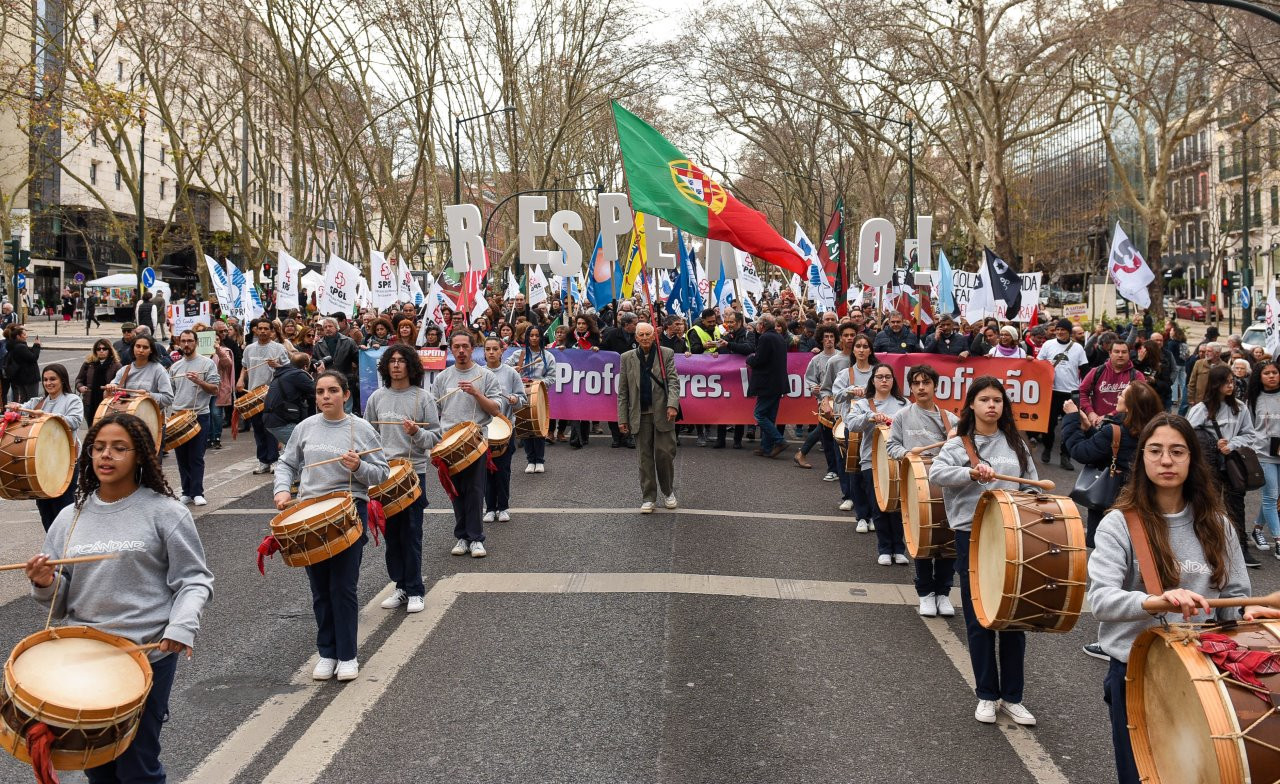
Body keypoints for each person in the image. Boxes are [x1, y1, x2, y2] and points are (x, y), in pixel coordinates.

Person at [24, 412, 213, 782]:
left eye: (119, 448)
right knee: (96, 763)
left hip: (146, 657)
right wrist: (45, 582)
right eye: (99, 448)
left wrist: (181, 627)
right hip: (87, 657)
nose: (106, 456)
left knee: (137, 763)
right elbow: (59, 602)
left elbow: (194, 580)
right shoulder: (69, 518)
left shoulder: (166, 513)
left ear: (140, 455)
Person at [1087, 414, 1269, 784]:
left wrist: (1248, 610)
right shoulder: (1120, 524)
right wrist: (1156, 601)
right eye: (1155, 451)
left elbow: (1235, 595)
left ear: (1191, 460)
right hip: (1137, 673)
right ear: (1142, 460)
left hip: (1207, 671)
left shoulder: (1216, 523)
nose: (1166, 460)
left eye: (1177, 451)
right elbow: (1101, 600)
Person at [930, 376, 1040, 727]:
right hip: (973, 534)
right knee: (980, 618)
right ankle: (986, 695)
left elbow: (1033, 484)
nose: (992, 405)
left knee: (1012, 615)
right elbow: (937, 474)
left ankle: (1013, 696)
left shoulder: (1015, 443)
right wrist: (971, 473)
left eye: (998, 400)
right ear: (972, 406)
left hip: (1014, 536)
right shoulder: (960, 442)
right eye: (985, 400)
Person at [273, 372, 390, 681]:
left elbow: (382, 473)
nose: (326, 396)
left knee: (343, 586)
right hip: (310, 513)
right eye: (320, 391)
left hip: (349, 510)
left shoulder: (361, 429)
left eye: (333, 390)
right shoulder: (304, 428)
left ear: (346, 395)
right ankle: (327, 651)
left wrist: (359, 466)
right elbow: (286, 463)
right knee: (320, 588)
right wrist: (282, 490)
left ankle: (348, 654)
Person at [365, 345, 440, 614]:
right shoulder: (376, 398)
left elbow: (436, 438)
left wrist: (416, 433)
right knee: (392, 536)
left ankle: (416, 589)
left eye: (401, 361)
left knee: (411, 534)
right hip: (383, 477)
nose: (396, 365)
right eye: (392, 361)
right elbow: (368, 438)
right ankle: (400, 586)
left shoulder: (423, 398)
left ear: (410, 365)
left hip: (412, 474)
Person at [886, 364, 956, 615]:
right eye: (916, 383)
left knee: (949, 540)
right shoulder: (903, 416)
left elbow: (963, 449)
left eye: (926, 382)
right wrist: (907, 454)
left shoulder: (950, 418)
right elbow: (891, 446)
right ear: (911, 387)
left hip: (946, 485)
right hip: (917, 487)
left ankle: (944, 592)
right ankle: (926, 592)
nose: (921, 387)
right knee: (923, 539)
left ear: (935, 386)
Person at [433, 331, 503, 557]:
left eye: (465, 346)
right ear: (451, 349)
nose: (461, 351)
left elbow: (495, 409)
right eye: (457, 347)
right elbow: (435, 412)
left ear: (473, 349)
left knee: (474, 490)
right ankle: (462, 537)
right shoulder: (442, 377)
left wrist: (476, 394)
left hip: (475, 440)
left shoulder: (485, 376)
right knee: (455, 491)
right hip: (448, 443)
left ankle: (475, 538)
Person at [1188, 364, 1263, 569]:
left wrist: (1231, 444)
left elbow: (1250, 434)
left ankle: (1240, 549)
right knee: (1206, 503)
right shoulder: (1201, 409)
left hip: (1232, 463)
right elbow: (1187, 434)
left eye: (1232, 382)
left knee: (1236, 505)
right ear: (1215, 384)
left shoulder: (1240, 407)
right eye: (1225, 382)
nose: (1230, 386)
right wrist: (1212, 443)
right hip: (1208, 463)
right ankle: (1203, 547)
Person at [7, 363, 84, 528]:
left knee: (64, 507)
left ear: (62, 380)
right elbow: (21, 410)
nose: (49, 383)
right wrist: (15, 408)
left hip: (65, 462)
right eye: (45, 380)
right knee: (45, 509)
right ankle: (52, 544)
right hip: (41, 464)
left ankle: (67, 546)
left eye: (53, 379)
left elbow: (75, 420)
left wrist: (48, 416)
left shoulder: (73, 400)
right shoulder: (37, 402)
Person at [617, 322, 680, 513]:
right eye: (641, 335)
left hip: (662, 412)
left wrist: (672, 404)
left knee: (665, 455)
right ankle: (648, 497)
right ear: (636, 338)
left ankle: (668, 492)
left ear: (654, 336)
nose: (644, 338)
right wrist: (622, 418)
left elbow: (673, 381)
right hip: (639, 414)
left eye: (648, 334)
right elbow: (623, 391)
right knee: (644, 459)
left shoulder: (665, 354)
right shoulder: (626, 358)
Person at [850, 363, 910, 565]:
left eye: (888, 377)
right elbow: (852, 425)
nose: (884, 380)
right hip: (872, 461)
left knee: (899, 506)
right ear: (873, 380)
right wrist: (870, 417)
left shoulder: (904, 404)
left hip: (899, 460)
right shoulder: (864, 404)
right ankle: (884, 548)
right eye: (880, 377)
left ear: (893, 380)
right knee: (879, 506)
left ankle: (899, 548)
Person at [168, 330, 220, 506]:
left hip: (199, 414)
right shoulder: (175, 367)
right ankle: (186, 491)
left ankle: (197, 492)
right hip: (178, 415)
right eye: (183, 341)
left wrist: (199, 382)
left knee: (196, 456)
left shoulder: (207, 364)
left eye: (190, 341)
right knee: (181, 457)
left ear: (196, 342)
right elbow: (170, 394)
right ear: (179, 343)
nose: (186, 344)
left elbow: (215, 389)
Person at [830, 333, 877, 527]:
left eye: (865, 346)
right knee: (855, 471)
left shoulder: (878, 371)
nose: (861, 350)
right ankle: (862, 516)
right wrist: (850, 390)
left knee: (874, 472)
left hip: (875, 428)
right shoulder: (846, 374)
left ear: (870, 350)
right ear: (854, 349)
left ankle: (875, 514)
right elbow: (836, 396)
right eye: (858, 346)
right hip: (853, 427)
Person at [483, 337, 527, 520]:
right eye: (488, 349)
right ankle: (490, 508)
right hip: (484, 429)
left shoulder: (511, 373)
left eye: (495, 349)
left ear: (502, 351)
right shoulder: (480, 373)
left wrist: (516, 400)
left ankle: (503, 507)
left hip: (506, 427)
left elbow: (522, 399)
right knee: (485, 470)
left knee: (502, 469)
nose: (491, 352)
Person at [239, 318, 290, 474]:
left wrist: (277, 366)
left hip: (272, 393)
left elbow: (288, 369)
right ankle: (263, 461)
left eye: (266, 328)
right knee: (258, 428)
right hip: (253, 394)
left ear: (271, 331)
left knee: (271, 428)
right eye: (259, 328)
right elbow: (244, 367)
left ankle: (274, 459)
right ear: (255, 330)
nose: (262, 331)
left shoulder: (279, 348)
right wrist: (241, 379)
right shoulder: (249, 349)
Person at [1036, 319, 1088, 469]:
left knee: (1069, 427)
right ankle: (1047, 448)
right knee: (1049, 424)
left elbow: (1085, 370)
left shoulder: (1078, 348)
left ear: (1069, 331)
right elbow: (1039, 365)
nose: (1059, 332)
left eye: (1063, 330)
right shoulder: (1048, 345)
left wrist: (1085, 390)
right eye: (1057, 330)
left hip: (1071, 393)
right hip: (1051, 392)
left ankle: (1065, 456)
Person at [105, 334, 174, 442]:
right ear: (133, 348)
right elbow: (108, 398)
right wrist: (110, 388)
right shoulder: (124, 370)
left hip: (152, 425)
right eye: (138, 346)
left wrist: (148, 396)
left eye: (145, 347)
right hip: (128, 427)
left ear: (151, 350)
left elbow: (168, 398)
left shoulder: (158, 370)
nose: (141, 350)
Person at [508, 326, 554, 472]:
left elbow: (552, 377)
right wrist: (513, 369)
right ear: (526, 338)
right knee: (525, 426)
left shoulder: (547, 356)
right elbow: (504, 368)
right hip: (521, 394)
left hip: (538, 395)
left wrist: (539, 384)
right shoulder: (518, 354)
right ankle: (530, 461)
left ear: (541, 337)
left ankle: (539, 460)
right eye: (531, 335)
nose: (534, 338)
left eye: (537, 335)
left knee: (538, 427)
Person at [796, 324, 840, 476]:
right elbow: (809, 379)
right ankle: (833, 469)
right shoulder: (816, 360)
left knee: (830, 432)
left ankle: (802, 453)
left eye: (832, 337)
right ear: (821, 340)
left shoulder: (843, 356)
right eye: (826, 337)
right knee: (827, 433)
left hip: (842, 402)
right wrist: (814, 387)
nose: (829, 340)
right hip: (824, 402)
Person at [1248, 359, 1280, 559]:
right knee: (1270, 496)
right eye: (1266, 373)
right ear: (1259, 377)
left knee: (1275, 496)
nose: (1271, 376)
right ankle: (1278, 540)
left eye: (1274, 372)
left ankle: (1257, 529)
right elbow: (1250, 427)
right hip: (1263, 454)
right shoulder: (1254, 399)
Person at [746, 313, 789, 458]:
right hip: (777, 384)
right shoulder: (779, 337)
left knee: (759, 414)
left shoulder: (765, 337)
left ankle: (779, 440)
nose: (756, 326)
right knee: (769, 417)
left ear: (762, 325)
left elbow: (759, 360)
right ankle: (766, 447)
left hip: (767, 383)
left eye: (758, 323)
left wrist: (750, 359)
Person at [1080, 339, 1138, 428]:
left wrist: (1110, 415)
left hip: (1125, 425)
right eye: (1116, 351)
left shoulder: (1137, 375)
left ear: (1129, 354)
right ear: (1110, 353)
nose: (1120, 355)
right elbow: (1082, 392)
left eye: (1124, 352)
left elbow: (1138, 401)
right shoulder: (1096, 371)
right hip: (1097, 423)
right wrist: (1090, 412)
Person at [264, 351, 317, 448]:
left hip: (272, 419)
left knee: (293, 449)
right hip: (281, 421)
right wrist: (320, 374)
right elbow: (318, 390)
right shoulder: (297, 375)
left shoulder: (283, 373)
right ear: (305, 367)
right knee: (306, 448)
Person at [312, 317, 360, 411]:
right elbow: (314, 359)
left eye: (330, 326)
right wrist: (316, 364)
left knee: (346, 410)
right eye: (325, 327)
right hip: (327, 382)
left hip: (346, 380)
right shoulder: (318, 344)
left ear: (337, 327)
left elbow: (358, 360)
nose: (327, 329)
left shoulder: (348, 342)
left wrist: (356, 376)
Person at [76, 339, 122, 424]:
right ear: (95, 351)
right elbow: (79, 379)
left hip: (108, 402)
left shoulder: (116, 365)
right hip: (90, 401)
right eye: (98, 349)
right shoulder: (88, 364)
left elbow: (121, 384)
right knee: (91, 427)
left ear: (109, 350)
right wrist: (80, 387)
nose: (101, 351)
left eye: (104, 349)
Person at [208, 330, 235, 449]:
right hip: (203, 388)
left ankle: (217, 437)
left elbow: (228, 364)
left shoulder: (224, 351)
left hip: (218, 388)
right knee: (206, 414)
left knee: (216, 413)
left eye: (217, 339)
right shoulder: (200, 353)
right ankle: (208, 438)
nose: (215, 342)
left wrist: (218, 350)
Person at [4, 323, 41, 402]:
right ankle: (29, 414)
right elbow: (33, 357)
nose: (26, 336)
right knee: (32, 400)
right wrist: (37, 345)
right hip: (28, 377)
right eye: (24, 335)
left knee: (24, 399)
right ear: (18, 336)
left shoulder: (14, 345)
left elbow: (27, 356)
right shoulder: (20, 347)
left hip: (21, 377)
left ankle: (23, 413)